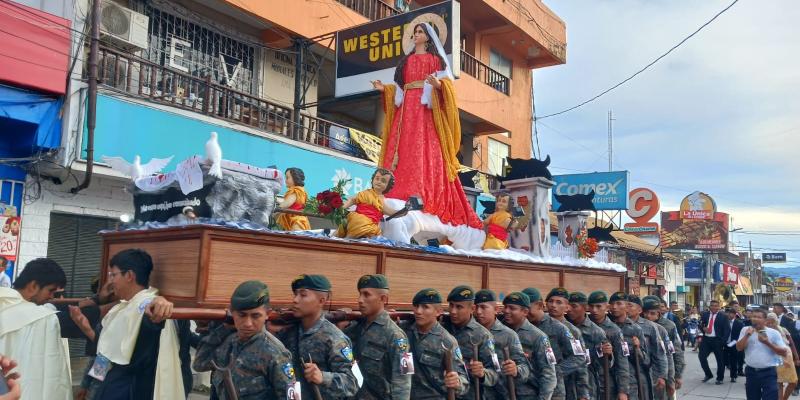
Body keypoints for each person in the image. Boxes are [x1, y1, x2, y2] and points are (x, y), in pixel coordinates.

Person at [372, 23, 481, 230]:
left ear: (428, 38)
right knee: (401, 148)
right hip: (406, 111)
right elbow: (398, 90)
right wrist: (383, 89)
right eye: (415, 32)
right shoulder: (406, 61)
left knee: (423, 150)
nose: (416, 35)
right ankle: (394, 191)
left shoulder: (435, 60)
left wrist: (438, 85)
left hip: (424, 110)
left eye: (420, 32)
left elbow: (446, 86)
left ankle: (420, 192)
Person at [84, 249, 182, 400]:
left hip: (130, 390)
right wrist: (90, 385)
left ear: (129, 276)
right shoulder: (121, 307)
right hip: (109, 385)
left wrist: (159, 302)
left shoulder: (148, 305)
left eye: (113, 275)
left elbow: (151, 316)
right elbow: (104, 351)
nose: (110, 281)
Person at [193, 280, 298, 399]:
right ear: (232, 313)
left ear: (267, 314)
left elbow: (292, 397)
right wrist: (223, 329)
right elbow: (199, 364)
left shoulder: (276, 353)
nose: (248, 323)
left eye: (255, 316)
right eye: (242, 315)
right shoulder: (227, 342)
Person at [277, 274, 358, 399]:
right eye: (295, 294)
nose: (295, 300)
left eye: (303, 295)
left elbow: (352, 384)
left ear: (322, 301)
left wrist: (322, 377)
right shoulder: (289, 332)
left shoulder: (335, 339)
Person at [0, 259, 71, 400]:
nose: (51, 297)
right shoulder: (44, 319)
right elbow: (51, 376)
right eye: (50, 291)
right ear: (33, 286)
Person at [341, 274, 411, 399]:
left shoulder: (397, 336)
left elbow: (404, 380)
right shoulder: (356, 327)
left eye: (366, 295)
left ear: (383, 298)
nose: (360, 300)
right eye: (360, 294)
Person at [403, 288, 469, 398]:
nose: (418, 311)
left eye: (425, 307)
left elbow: (464, 381)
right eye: (416, 306)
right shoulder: (404, 332)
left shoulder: (447, 341)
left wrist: (457, 382)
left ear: (439, 312)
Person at [523, 287, 586, 400]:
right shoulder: (526, 325)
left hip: (561, 384)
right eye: (551, 301)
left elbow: (580, 359)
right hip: (531, 384)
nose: (553, 305)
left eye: (558, 302)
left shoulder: (569, 330)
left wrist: (554, 370)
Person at [440, 285, 500, 400]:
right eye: (451, 305)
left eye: (459, 307)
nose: (453, 311)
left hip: (470, 395)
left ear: (472, 309)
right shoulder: (442, 326)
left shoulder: (483, 336)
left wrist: (482, 373)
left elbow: (496, 372)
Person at [473, 289, 531, 399]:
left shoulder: (508, 335)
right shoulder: (469, 333)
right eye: (476, 307)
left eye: (483, 307)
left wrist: (516, 370)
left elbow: (525, 368)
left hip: (500, 395)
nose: (479, 312)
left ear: (496, 309)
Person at [501, 291, 557, 400]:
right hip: (502, 393)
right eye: (505, 307)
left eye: (512, 308)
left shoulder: (538, 337)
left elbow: (549, 374)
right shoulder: (498, 331)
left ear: (525, 311)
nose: (506, 311)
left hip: (527, 394)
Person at [567, 291, 613, 400]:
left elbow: (605, 363)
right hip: (566, 381)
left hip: (587, 382)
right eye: (568, 306)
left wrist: (608, 354)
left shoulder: (596, 332)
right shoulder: (563, 327)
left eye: (574, 306)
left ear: (585, 307)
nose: (569, 309)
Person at [587, 291, 631, 400]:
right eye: (592, 306)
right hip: (585, 382)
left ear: (606, 307)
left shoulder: (614, 330)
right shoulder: (582, 325)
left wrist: (623, 391)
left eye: (598, 306)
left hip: (606, 383)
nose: (594, 310)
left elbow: (622, 362)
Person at [736, 308, 789, 400]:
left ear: (765, 320)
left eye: (759, 317)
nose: (755, 319)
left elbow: (784, 352)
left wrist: (767, 343)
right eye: (753, 317)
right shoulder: (745, 330)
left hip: (769, 372)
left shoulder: (774, 333)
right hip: (751, 372)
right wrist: (747, 335)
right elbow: (739, 348)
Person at [338, 169, 402, 239]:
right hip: (355, 219)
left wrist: (404, 211)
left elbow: (391, 212)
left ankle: (347, 240)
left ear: (388, 186)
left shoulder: (382, 200)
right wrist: (341, 208)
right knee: (354, 222)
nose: (379, 182)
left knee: (363, 224)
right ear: (373, 179)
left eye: (383, 181)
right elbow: (352, 200)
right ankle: (337, 239)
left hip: (370, 226)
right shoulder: (364, 193)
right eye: (377, 178)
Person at [628, 296, 668, 399]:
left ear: (639, 310)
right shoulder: (617, 324)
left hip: (645, 370)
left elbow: (660, 353)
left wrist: (662, 376)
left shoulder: (651, 327)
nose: (626, 308)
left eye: (630, 305)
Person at [609, 292, 647, 400]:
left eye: (618, 303)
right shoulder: (605, 326)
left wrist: (637, 348)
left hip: (629, 380)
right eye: (612, 304)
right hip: (608, 379)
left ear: (626, 306)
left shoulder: (635, 329)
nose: (614, 307)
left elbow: (644, 360)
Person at [642, 296, 677, 400]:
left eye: (652, 313)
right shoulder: (638, 326)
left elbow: (671, 354)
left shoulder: (667, 327)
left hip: (660, 373)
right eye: (646, 313)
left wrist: (672, 379)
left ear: (658, 313)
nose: (648, 316)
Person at [766, 313, 798, 400]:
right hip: (775, 358)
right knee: (779, 383)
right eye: (768, 322)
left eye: (772, 322)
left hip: (788, 357)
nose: (770, 324)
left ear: (776, 322)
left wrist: (797, 358)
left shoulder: (783, 329)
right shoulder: (765, 332)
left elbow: (791, 344)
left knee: (794, 382)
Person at [699, 299, 730, 384]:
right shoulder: (704, 314)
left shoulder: (723, 316)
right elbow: (701, 324)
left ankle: (720, 378)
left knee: (720, 360)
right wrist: (703, 328)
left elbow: (727, 330)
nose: (714, 307)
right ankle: (708, 374)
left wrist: (722, 342)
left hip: (717, 340)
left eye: (716, 306)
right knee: (701, 357)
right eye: (712, 305)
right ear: (710, 306)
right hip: (706, 339)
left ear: (719, 307)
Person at [724, 308, 745, 383]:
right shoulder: (724, 322)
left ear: (734, 314)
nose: (729, 315)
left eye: (731, 313)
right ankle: (720, 376)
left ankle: (733, 376)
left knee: (733, 361)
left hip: (734, 344)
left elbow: (741, 335)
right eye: (728, 313)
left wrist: (736, 341)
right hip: (725, 344)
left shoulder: (739, 323)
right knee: (723, 360)